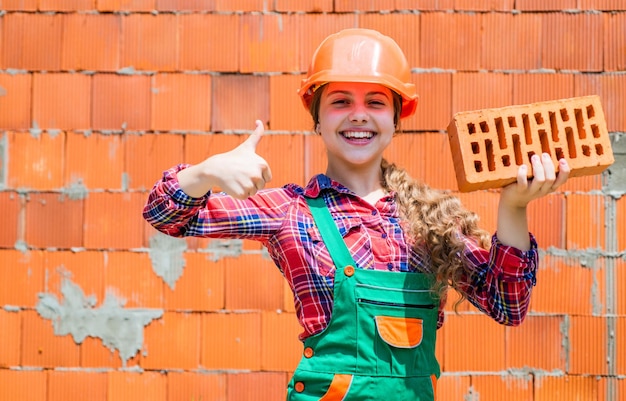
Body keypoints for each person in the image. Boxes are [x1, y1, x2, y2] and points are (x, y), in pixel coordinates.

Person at [143, 28, 570, 400]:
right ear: (317, 117)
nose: (359, 114)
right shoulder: (290, 211)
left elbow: (506, 304)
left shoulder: (430, 221)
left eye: (376, 102)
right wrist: (204, 172)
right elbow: (167, 215)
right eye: (341, 101)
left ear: (397, 117)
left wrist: (514, 205)